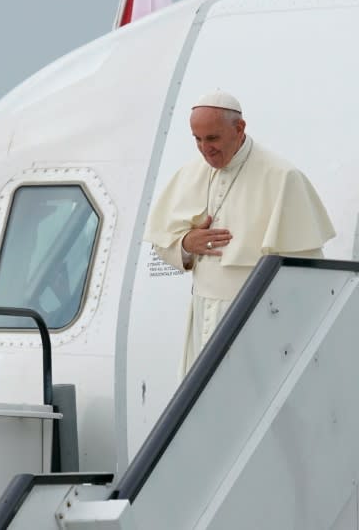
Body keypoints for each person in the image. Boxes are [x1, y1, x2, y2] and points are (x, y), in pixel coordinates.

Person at [144, 91, 335, 378]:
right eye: (197, 139)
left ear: (239, 129)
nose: (205, 149)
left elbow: (305, 274)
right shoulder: (190, 174)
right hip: (202, 314)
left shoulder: (281, 176)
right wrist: (185, 244)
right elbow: (163, 242)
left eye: (213, 138)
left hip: (256, 323)